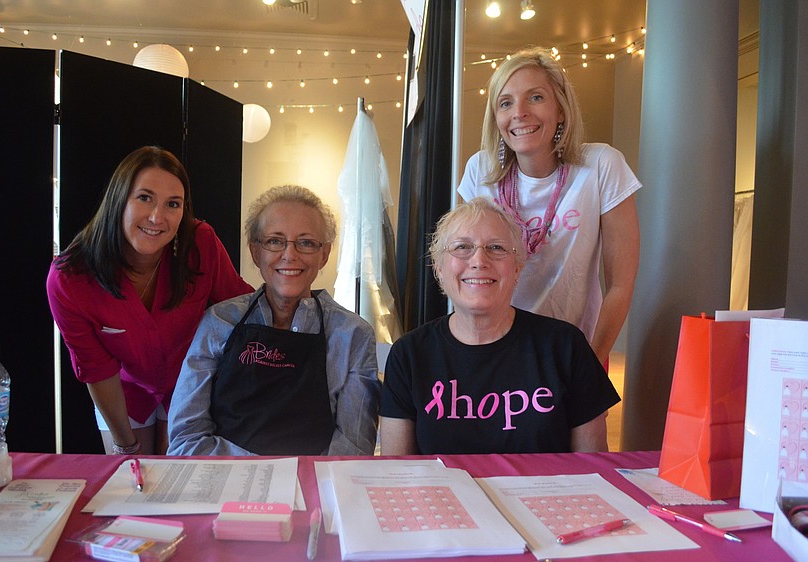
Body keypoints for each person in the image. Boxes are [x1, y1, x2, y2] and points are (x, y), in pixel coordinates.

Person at [47, 146, 254, 456]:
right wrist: (125, 445)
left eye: (173, 204)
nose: (157, 217)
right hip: (123, 392)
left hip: (191, 385)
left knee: (178, 479)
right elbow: (96, 369)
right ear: (119, 199)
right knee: (134, 476)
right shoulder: (70, 278)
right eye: (144, 197)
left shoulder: (200, 243)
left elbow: (241, 309)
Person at [379, 198, 619, 455]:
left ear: (517, 268)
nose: (479, 260)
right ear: (439, 268)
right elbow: (397, 470)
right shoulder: (408, 355)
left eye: (496, 247)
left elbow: (592, 465)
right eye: (462, 247)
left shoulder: (566, 346)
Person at [458, 47, 641, 365]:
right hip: (492, 352)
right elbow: (462, 270)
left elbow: (620, 286)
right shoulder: (480, 170)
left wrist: (591, 364)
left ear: (561, 109)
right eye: (506, 103)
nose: (519, 112)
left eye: (535, 97)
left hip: (572, 355)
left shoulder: (601, 165)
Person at [167, 185, 380, 456]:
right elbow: (186, 438)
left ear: (324, 255)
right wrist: (263, 473)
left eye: (306, 242)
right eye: (275, 241)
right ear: (256, 252)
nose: (289, 255)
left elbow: (353, 448)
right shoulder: (219, 322)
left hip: (314, 482)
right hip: (224, 479)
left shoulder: (353, 335)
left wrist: (292, 476)